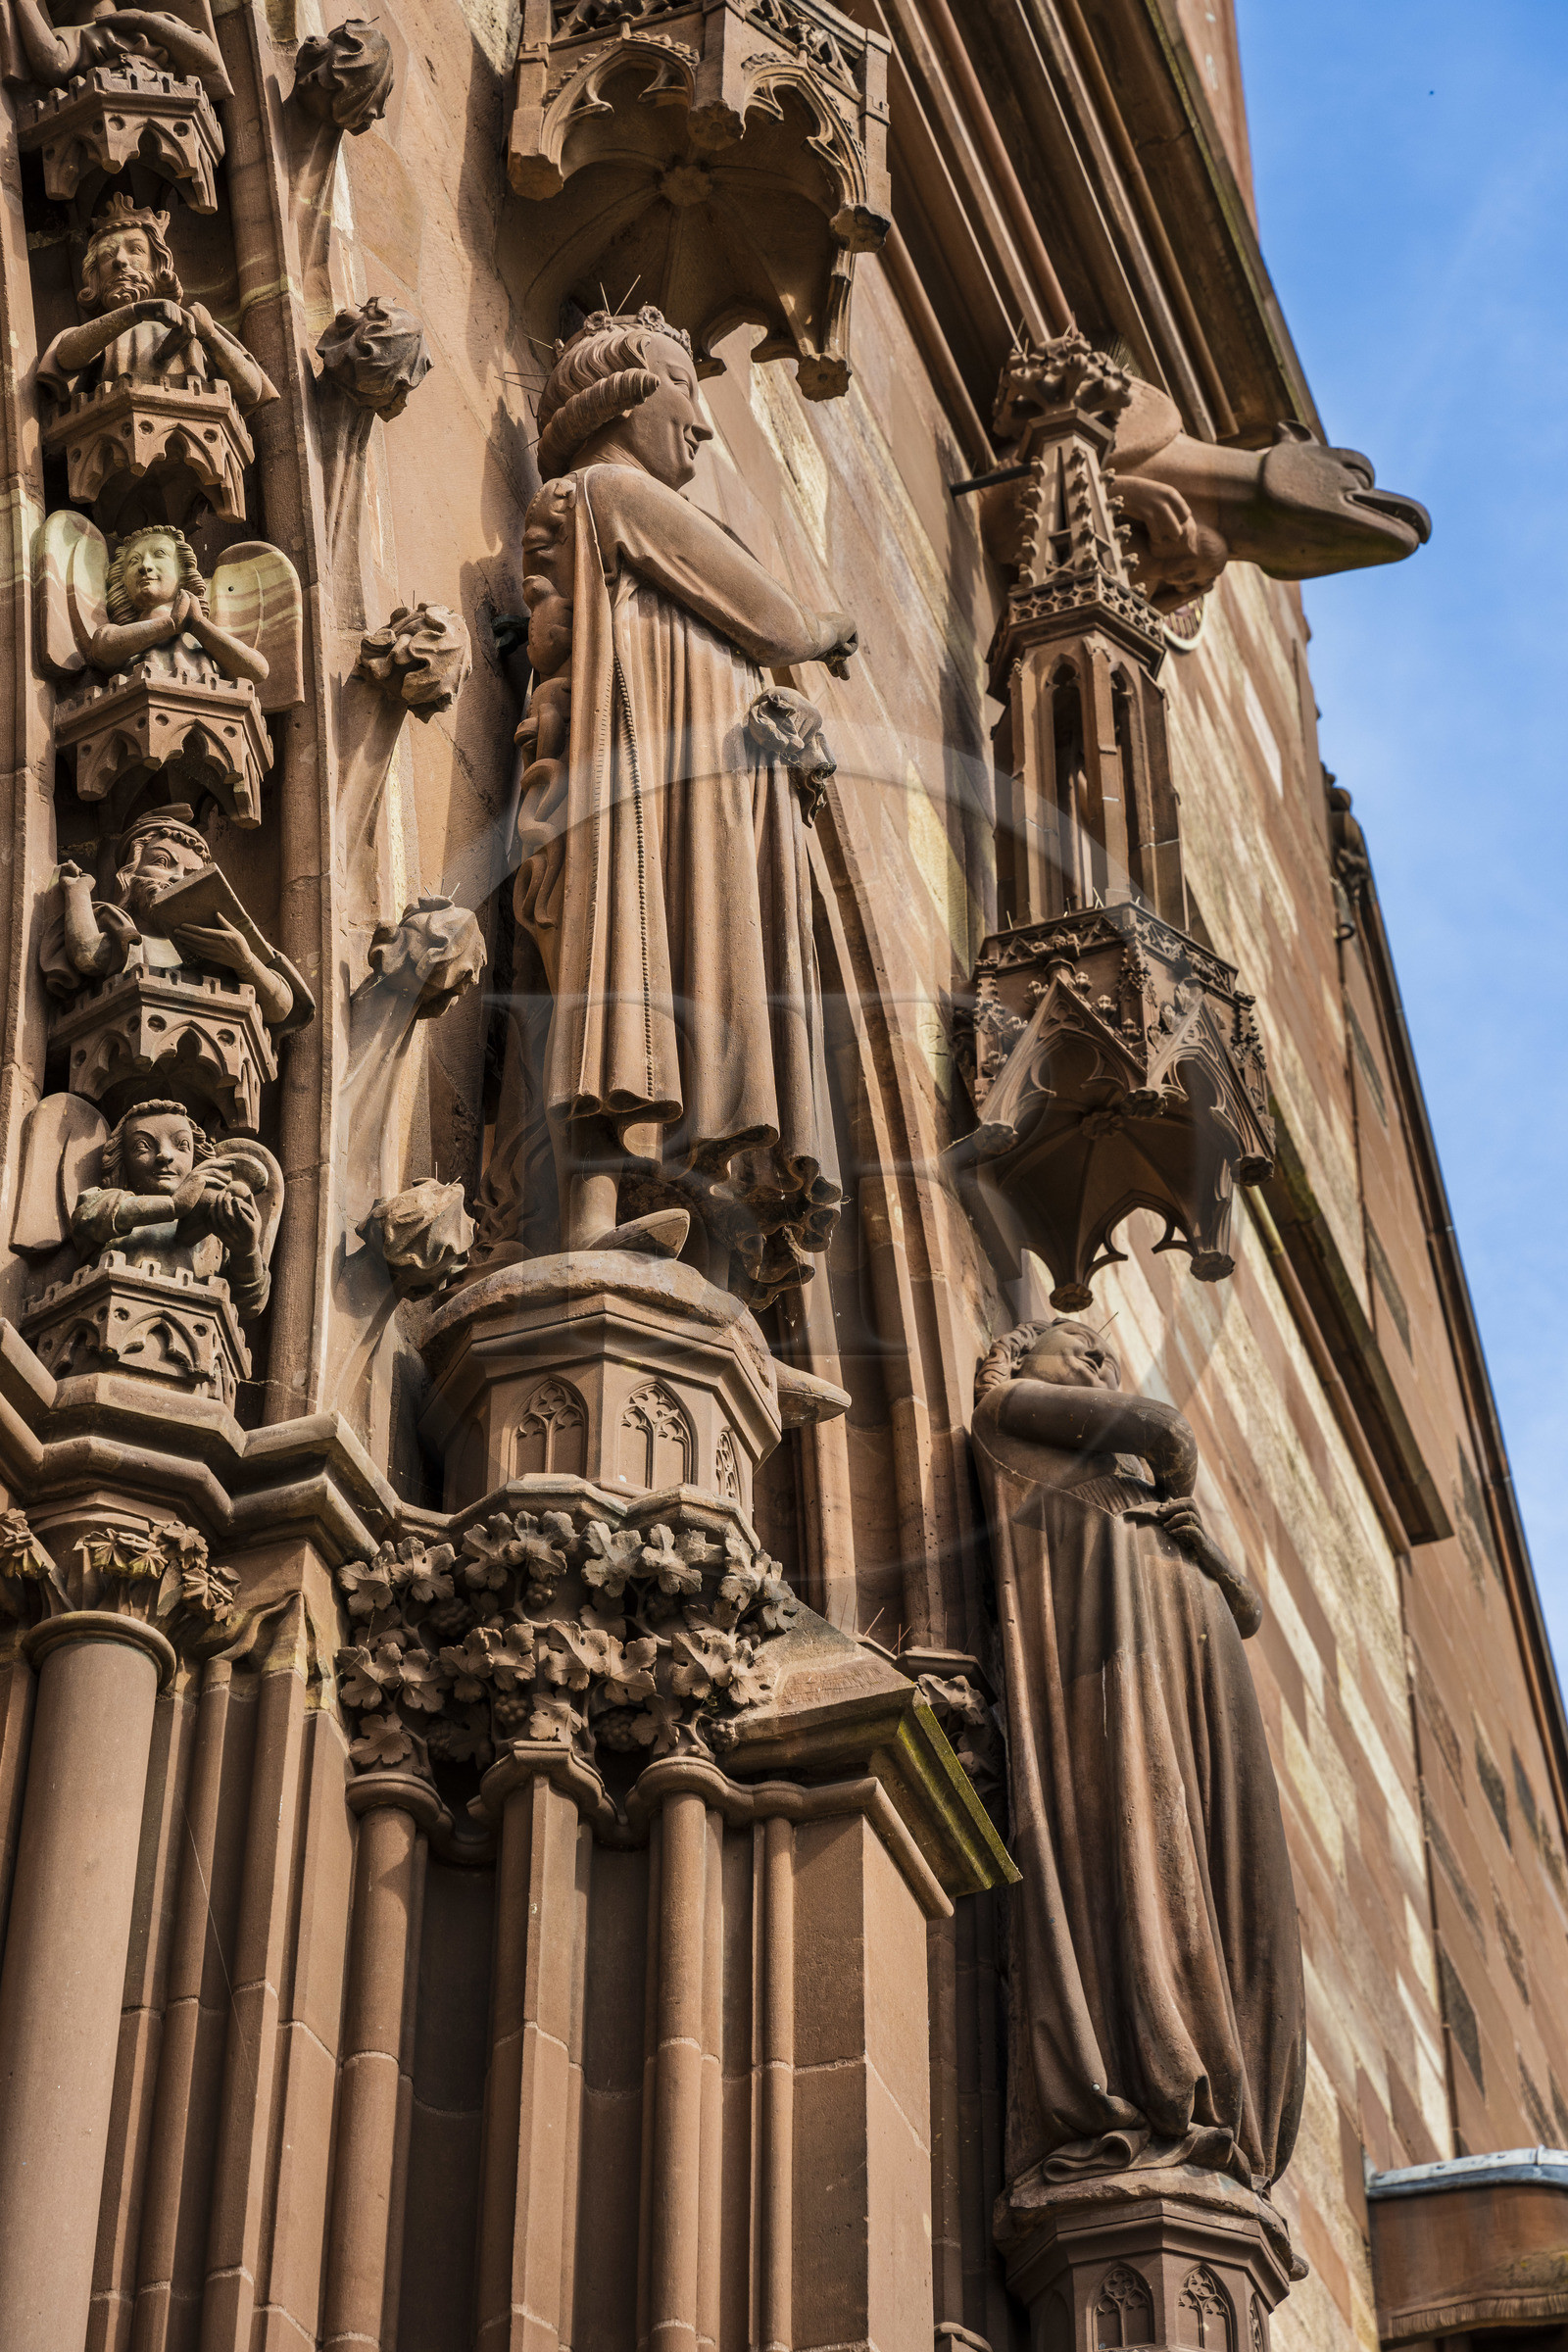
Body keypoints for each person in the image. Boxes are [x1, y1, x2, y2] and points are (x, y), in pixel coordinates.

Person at [502, 305, 856, 1300]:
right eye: (682, 387)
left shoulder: (619, 504)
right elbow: (776, 619)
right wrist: (824, 627)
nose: (700, 422)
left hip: (690, 805)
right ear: (622, 394)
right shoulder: (613, 490)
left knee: (676, 996)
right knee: (625, 987)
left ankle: (689, 1251)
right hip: (647, 813)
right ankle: (592, 1226)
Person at [971, 1315, 1305, 2198]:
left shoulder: (1127, 1492)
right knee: (1163, 1884)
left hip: (1195, 1692)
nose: (1098, 1355)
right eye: (1075, 1342)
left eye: (1106, 1351)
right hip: (1123, 1683)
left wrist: (1202, 1545)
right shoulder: (1007, 1407)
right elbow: (1164, 1428)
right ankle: (1168, 2088)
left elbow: (1248, 1613)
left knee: (1243, 1899)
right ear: (1015, 1357)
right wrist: (1176, 1474)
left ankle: (1237, 2117)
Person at [41, 805, 309, 1032]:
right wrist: (77, 891)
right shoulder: (125, 935)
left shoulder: (216, 947)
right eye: (161, 862)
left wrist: (244, 961)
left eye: (191, 875)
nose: (177, 878)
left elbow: (281, 1008)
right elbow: (87, 955)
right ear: (130, 874)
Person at [38, 196, 275, 416]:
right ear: (95, 277)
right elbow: (67, 356)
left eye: (136, 250)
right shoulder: (99, 334)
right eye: (107, 256)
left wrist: (211, 335)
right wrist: (136, 313)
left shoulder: (191, 325)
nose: (120, 261)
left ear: (157, 265)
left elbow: (251, 390)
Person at [72, 1098, 271, 1315]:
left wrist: (246, 1252)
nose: (165, 1155)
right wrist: (173, 1206)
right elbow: (88, 1217)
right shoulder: (108, 1203)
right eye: (142, 1146)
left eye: (182, 1145)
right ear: (122, 1161)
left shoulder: (215, 1229)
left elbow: (251, 1305)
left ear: (198, 1159)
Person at [9, 0, 225, 90]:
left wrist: (143, 21)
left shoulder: (155, 21)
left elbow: (209, 59)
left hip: (164, 96)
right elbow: (53, 65)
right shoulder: (74, 34)